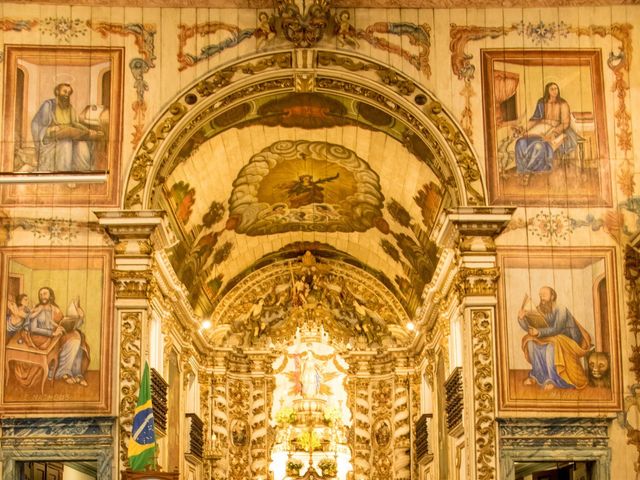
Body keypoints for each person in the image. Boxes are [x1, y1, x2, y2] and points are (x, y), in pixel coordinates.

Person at [13, 287, 90, 388]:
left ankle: (77, 373)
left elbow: (64, 324)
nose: (42, 296)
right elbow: (33, 329)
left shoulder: (56, 309)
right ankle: (63, 372)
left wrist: (80, 317)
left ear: (51, 295)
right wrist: (52, 333)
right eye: (40, 294)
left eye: (45, 293)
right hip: (44, 337)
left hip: (57, 335)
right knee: (73, 339)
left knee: (77, 337)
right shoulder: (37, 310)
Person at [518, 286, 591, 390]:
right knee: (531, 342)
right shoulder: (539, 309)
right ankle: (537, 375)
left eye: (544, 295)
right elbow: (530, 328)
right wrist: (522, 319)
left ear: (552, 296)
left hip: (567, 338)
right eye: (540, 295)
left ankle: (554, 379)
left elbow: (557, 329)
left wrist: (538, 332)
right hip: (550, 336)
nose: (541, 297)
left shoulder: (561, 309)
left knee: (551, 347)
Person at [31, 83, 104, 172]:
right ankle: (64, 173)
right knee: (66, 143)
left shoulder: (69, 107)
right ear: (57, 92)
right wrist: (49, 129)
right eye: (64, 91)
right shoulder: (48, 105)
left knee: (82, 144)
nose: (67, 95)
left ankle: (82, 172)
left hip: (70, 134)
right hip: (53, 138)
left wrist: (88, 130)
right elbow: (37, 124)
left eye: (69, 93)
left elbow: (75, 123)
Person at [514, 82, 578, 178]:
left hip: (558, 129)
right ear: (547, 90)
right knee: (520, 142)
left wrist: (554, 133)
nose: (554, 91)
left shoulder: (563, 104)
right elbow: (535, 119)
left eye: (556, 89)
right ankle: (521, 169)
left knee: (539, 145)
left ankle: (530, 170)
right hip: (541, 128)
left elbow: (565, 123)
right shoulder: (541, 102)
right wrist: (524, 129)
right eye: (552, 89)